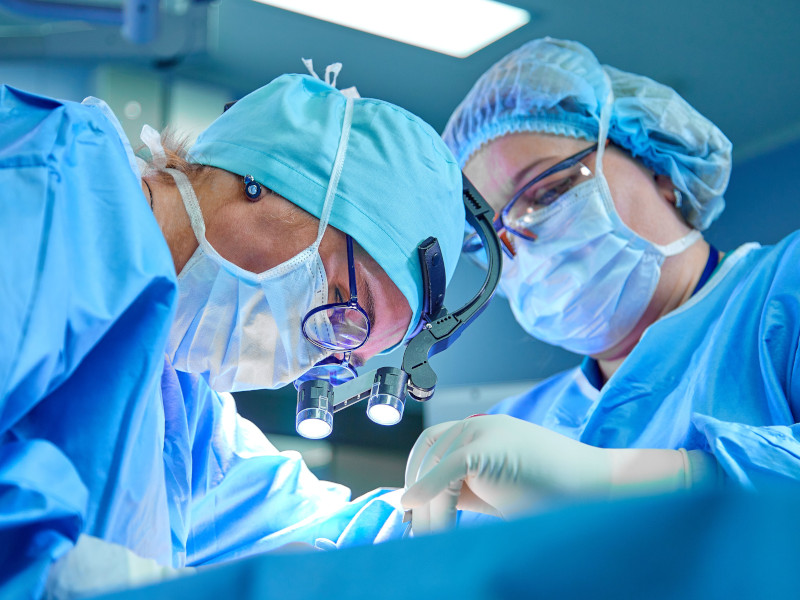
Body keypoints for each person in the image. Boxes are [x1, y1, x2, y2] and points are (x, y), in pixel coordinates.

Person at [0, 64, 465, 598]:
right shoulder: (43, 184)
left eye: (344, 355)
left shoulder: (179, 410)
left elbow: (330, 537)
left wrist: (482, 502)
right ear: (269, 181)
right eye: (343, 306)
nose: (313, 357)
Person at [402, 37, 800, 534]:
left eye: (549, 190)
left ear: (659, 171)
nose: (521, 239)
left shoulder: (784, 291)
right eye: (492, 238)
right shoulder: (518, 425)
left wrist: (628, 482)